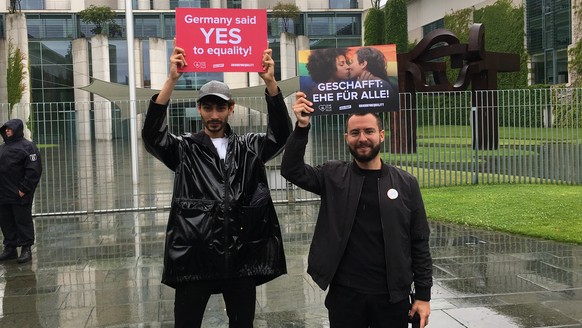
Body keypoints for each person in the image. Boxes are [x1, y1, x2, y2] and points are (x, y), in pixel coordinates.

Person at [141, 45, 292, 328]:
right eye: (208, 107)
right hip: (194, 257)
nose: (214, 115)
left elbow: (281, 134)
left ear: (231, 109)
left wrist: (271, 83)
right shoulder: (184, 149)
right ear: (199, 109)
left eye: (220, 107)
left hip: (240, 257)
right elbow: (152, 136)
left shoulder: (250, 147)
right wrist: (171, 79)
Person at [280, 93, 433, 328]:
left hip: (392, 297)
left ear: (381, 135)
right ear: (346, 138)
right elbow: (291, 169)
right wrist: (302, 126)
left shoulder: (405, 183)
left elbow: (419, 240)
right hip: (346, 296)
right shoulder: (332, 175)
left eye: (369, 131)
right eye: (355, 133)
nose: (362, 138)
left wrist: (423, 295)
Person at [0, 119, 43, 264]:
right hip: (3, 193)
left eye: (9, 129)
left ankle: (26, 248)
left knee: (22, 220)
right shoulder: (2, 148)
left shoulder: (28, 147)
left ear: (17, 129)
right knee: (6, 221)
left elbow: (34, 171)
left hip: (19, 194)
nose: (7, 131)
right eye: (5, 129)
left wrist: (23, 189)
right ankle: (10, 248)